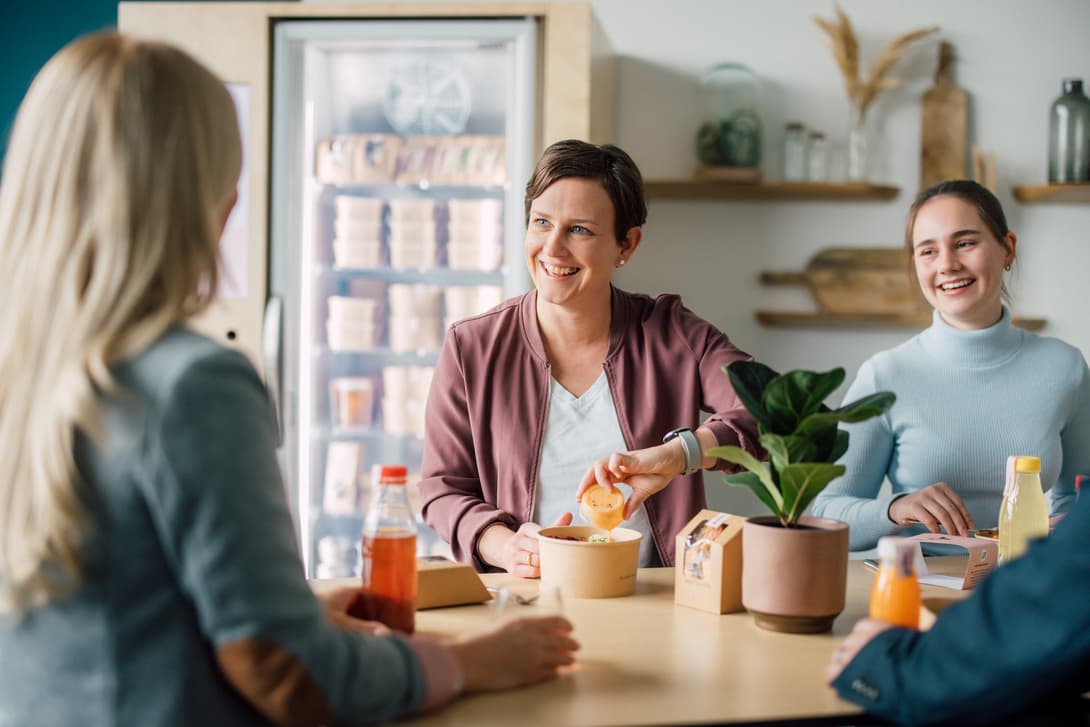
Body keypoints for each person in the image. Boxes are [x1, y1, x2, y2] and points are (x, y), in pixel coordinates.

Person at [0, 32, 576, 727]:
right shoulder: (193, 384)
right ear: (195, 199)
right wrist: (476, 661)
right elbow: (283, 669)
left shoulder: (28, 368)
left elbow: (116, 609)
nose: (236, 201)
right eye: (227, 176)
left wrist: (294, 612)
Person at [419, 139, 760, 576]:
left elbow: (773, 409)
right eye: (542, 223)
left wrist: (679, 455)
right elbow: (442, 489)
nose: (553, 248)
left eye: (579, 229)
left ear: (627, 245)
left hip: (651, 602)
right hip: (524, 601)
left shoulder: (673, 333)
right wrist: (504, 546)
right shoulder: (472, 348)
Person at [810, 180, 1090, 551]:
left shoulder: (1065, 368)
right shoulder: (885, 375)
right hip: (917, 590)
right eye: (927, 251)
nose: (947, 264)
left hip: (1027, 588)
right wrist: (897, 508)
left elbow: (1080, 500)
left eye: (965, 243)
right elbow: (827, 514)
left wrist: (1067, 529)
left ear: (1007, 249)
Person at [825, 487, 1090, 725]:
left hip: (992, 602)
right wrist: (894, 507)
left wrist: (886, 666)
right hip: (923, 584)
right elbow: (827, 512)